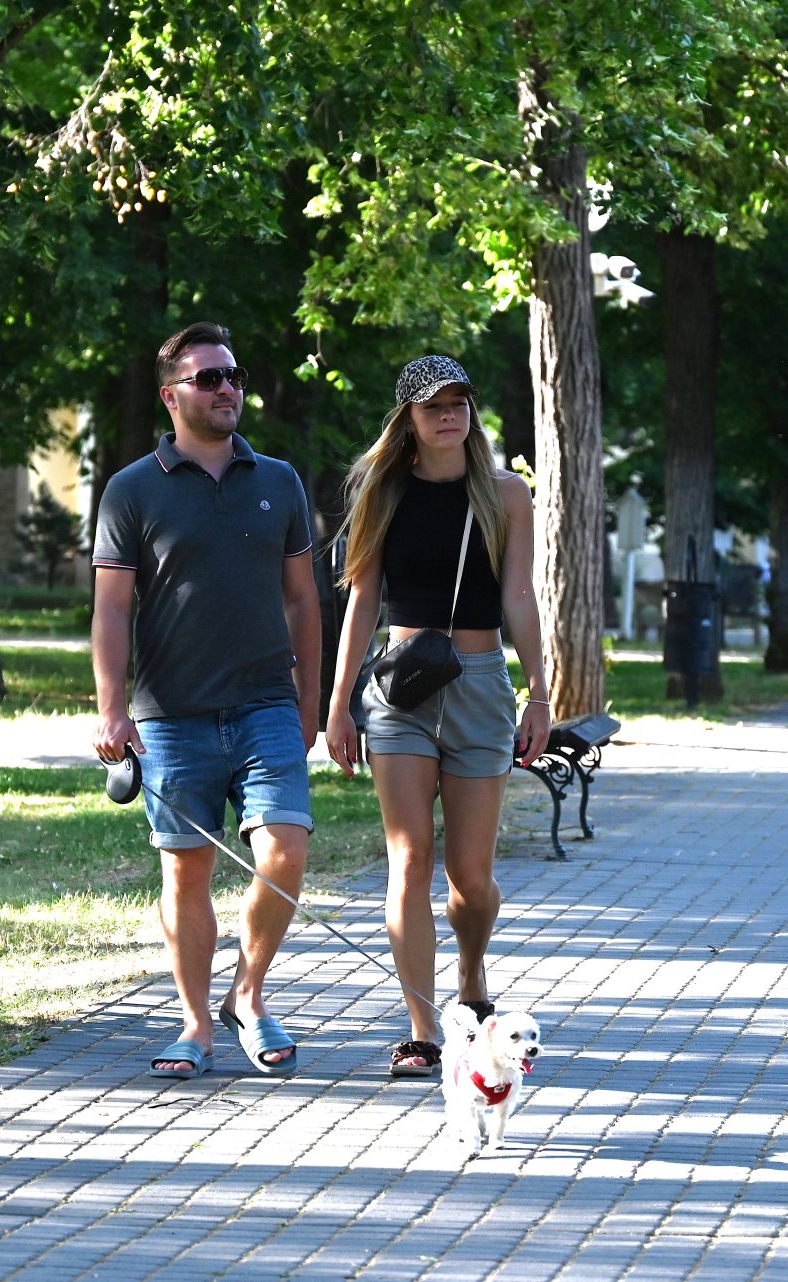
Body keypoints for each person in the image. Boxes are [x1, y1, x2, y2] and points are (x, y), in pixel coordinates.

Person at [90, 321, 322, 1080]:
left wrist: (312, 701)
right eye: (210, 378)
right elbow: (113, 609)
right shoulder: (131, 489)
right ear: (171, 396)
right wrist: (112, 708)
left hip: (266, 707)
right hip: (170, 715)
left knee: (285, 851)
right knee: (185, 872)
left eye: (235, 376)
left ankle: (248, 996)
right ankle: (195, 1023)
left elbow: (302, 601)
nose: (229, 389)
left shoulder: (279, 481)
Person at [324, 355, 551, 1079]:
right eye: (432, 406)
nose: (448, 415)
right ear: (409, 419)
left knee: (470, 879)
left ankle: (472, 975)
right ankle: (423, 1027)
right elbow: (360, 600)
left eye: (459, 402)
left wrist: (540, 690)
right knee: (409, 856)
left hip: (482, 684)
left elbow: (519, 596)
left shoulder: (506, 493)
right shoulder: (381, 491)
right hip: (400, 691)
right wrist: (338, 704)